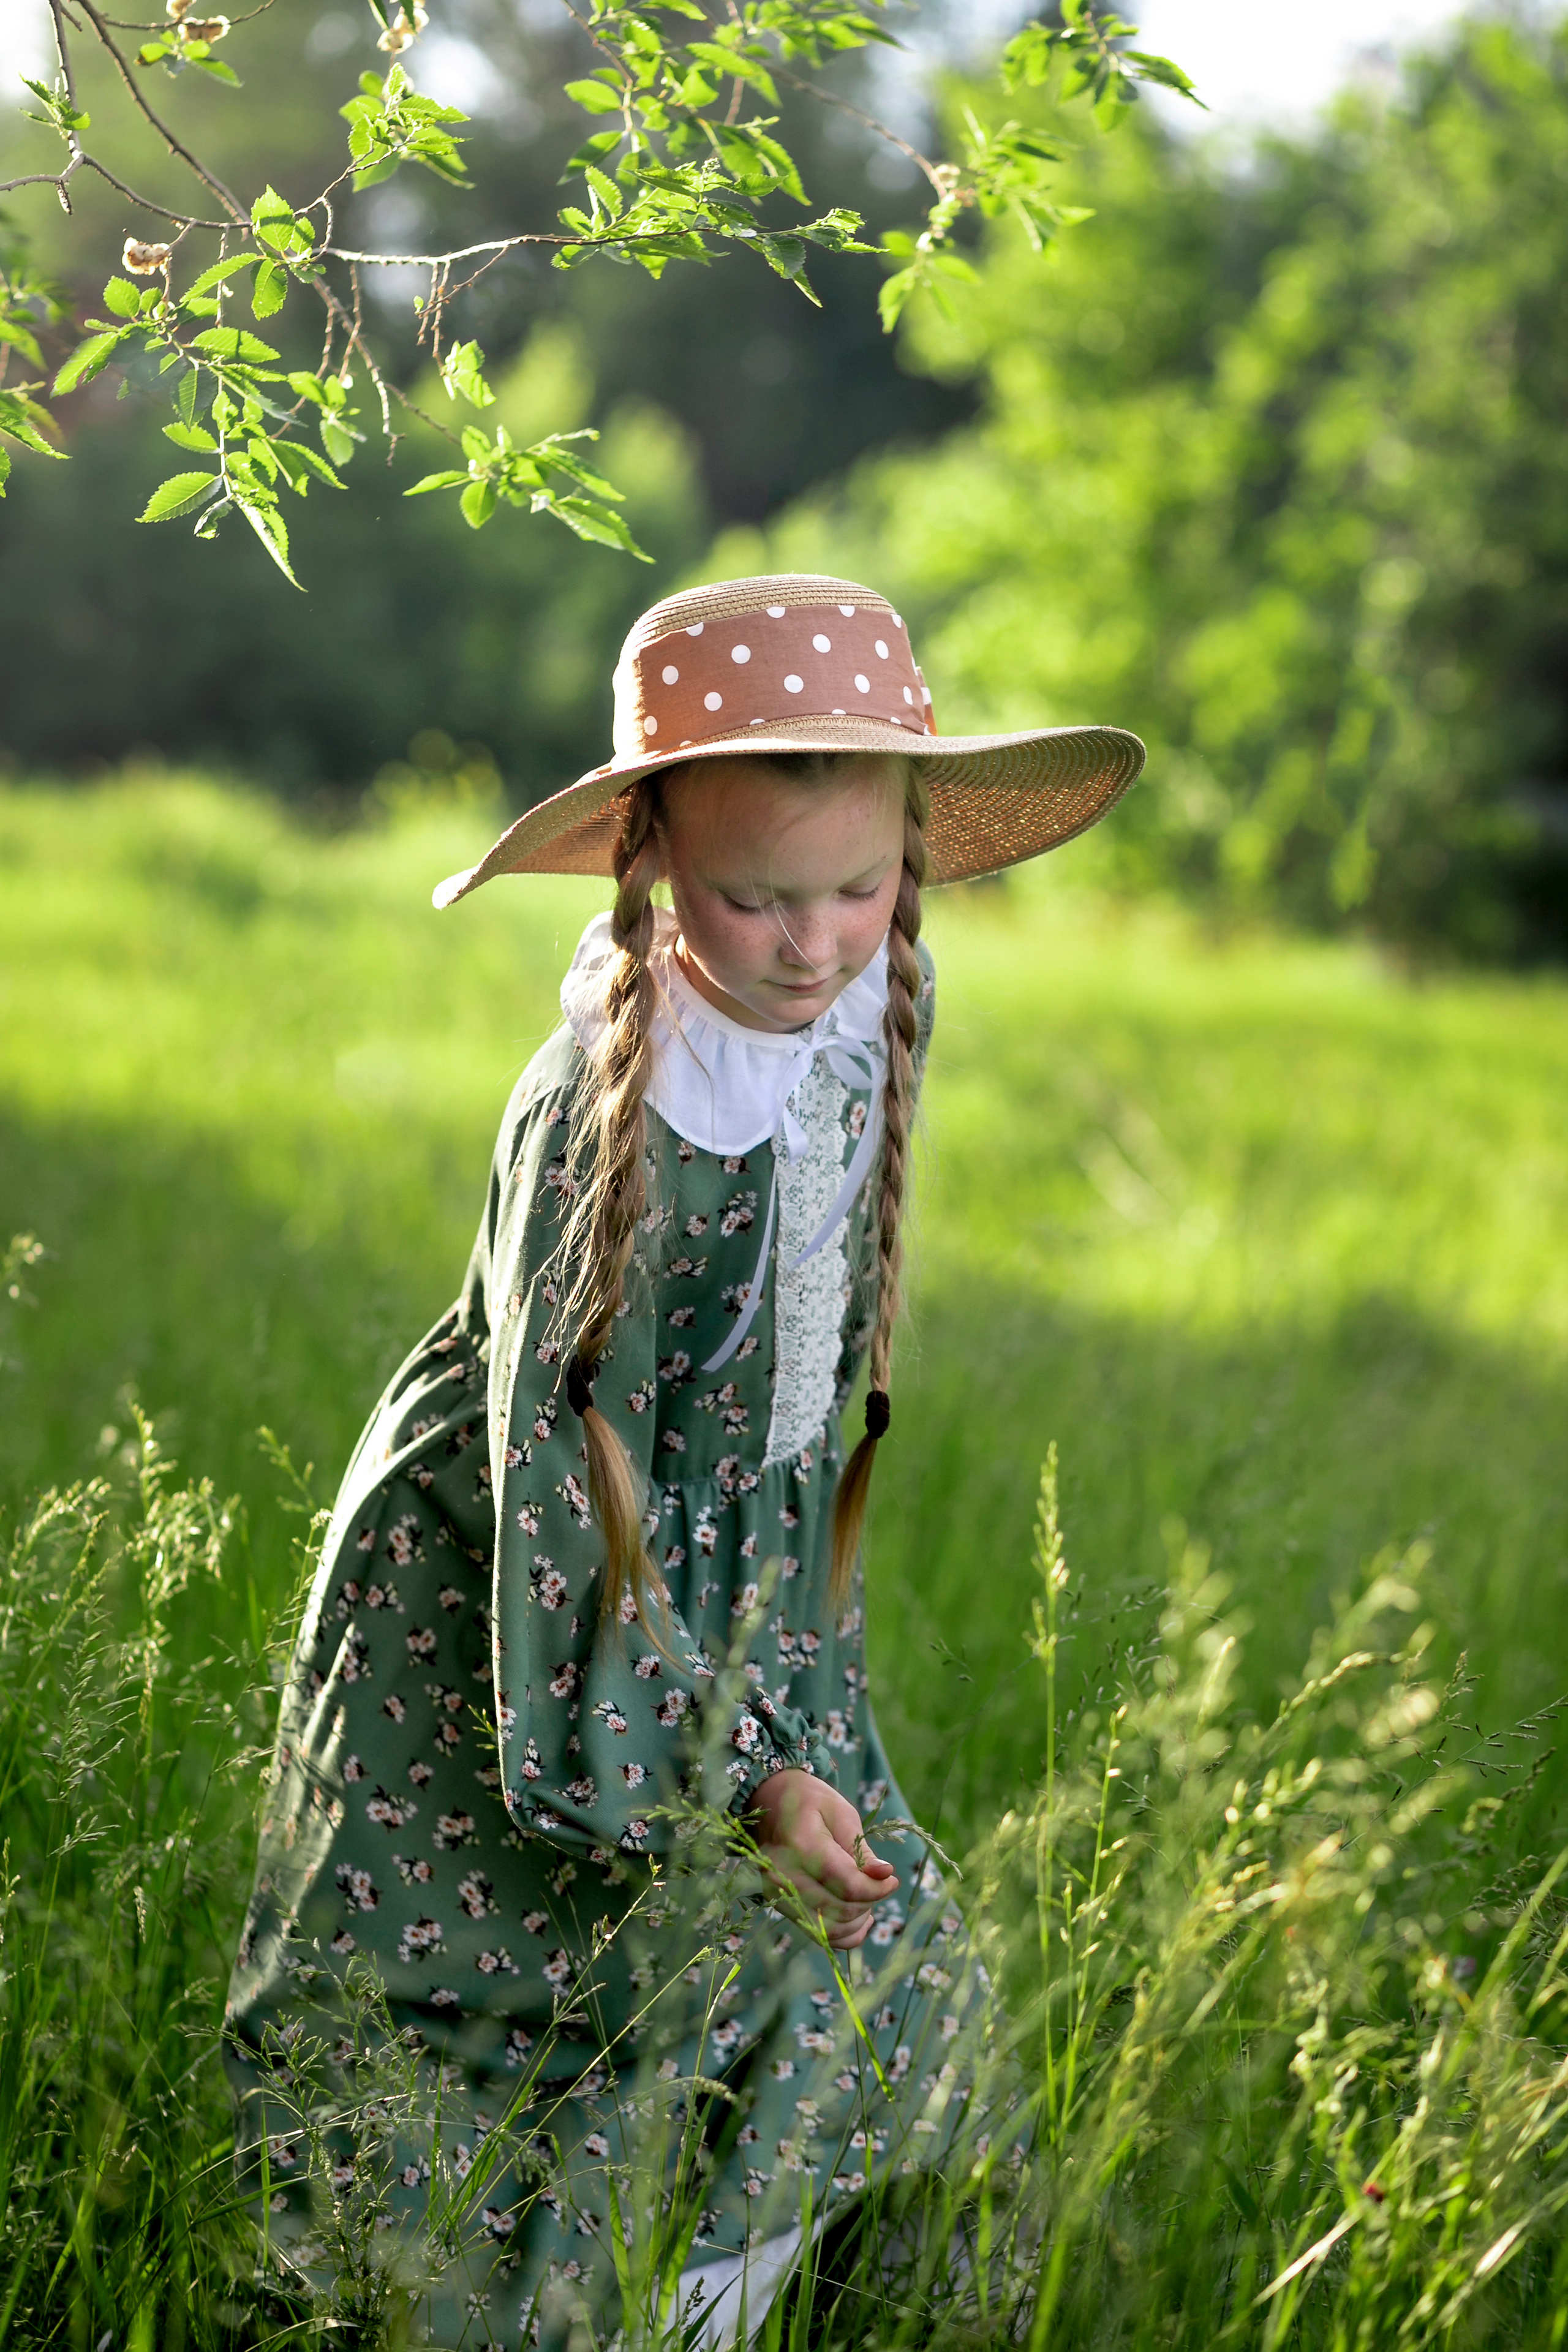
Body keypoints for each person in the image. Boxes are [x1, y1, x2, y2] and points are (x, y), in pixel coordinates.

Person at [225, 571, 1143, 2348]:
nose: (813, 942)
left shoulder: (869, 1019)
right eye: (754, 897)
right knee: (497, 2067)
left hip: (734, 1606)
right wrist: (727, 1784)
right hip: (525, 1613)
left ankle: (743, 2302)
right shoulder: (600, 1114)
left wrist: (791, 1733)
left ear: (916, 861)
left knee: (888, 1963)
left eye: (857, 891)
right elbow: (565, 1503)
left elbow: (785, 1438)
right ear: (651, 861)